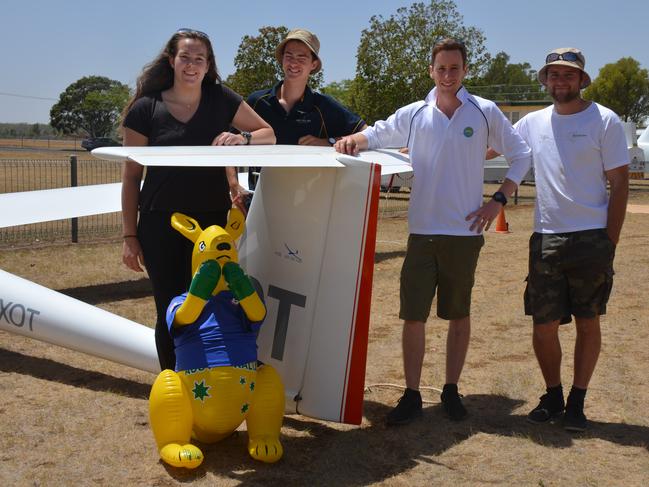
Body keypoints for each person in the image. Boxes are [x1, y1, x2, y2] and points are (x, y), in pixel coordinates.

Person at [335, 38, 531, 425]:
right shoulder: (414, 114)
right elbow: (375, 134)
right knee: (413, 316)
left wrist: (499, 201)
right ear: (431, 70)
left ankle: (451, 390)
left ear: (465, 71)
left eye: (454, 69)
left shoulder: (484, 111)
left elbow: (522, 153)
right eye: (441, 69)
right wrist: (352, 140)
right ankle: (410, 395)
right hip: (421, 232)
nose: (447, 76)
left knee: (458, 314)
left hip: (464, 234)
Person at [475, 48, 629, 432]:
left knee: (587, 320)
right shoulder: (531, 123)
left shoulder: (604, 120)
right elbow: (485, 149)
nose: (561, 82)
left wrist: (609, 241)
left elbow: (621, 183)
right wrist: (420, 149)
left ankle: (578, 400)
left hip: (591, 238)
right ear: (545, 80)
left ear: (581, 80)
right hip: (546, 238)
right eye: (554, 75)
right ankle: (553, 394)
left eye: (568, 75)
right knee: (543, 324)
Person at [120, 29, 275, 371]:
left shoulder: (220, 98)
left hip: (212, 225)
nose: (192, 65)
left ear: (208, 66)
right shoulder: (146, 108)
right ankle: (177, 387)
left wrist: (242, 139)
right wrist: (130, 237)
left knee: (213, 304)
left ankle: (212, 388)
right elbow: (131, 177)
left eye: (199, 59)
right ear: (172, 61)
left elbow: (269, 134)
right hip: (160, 224)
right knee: (171, 310)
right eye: (185, 57)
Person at [247, 28, 366, 189]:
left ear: (313, 64)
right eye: (289, 56)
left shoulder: (324, 106)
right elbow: (230, 142)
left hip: (308, 203)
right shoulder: (257, 101)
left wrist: (328, 142)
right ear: (282, 59)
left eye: (301, 57)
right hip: (257, 198)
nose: (293, 63)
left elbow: (367, 133)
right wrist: (234, 185)